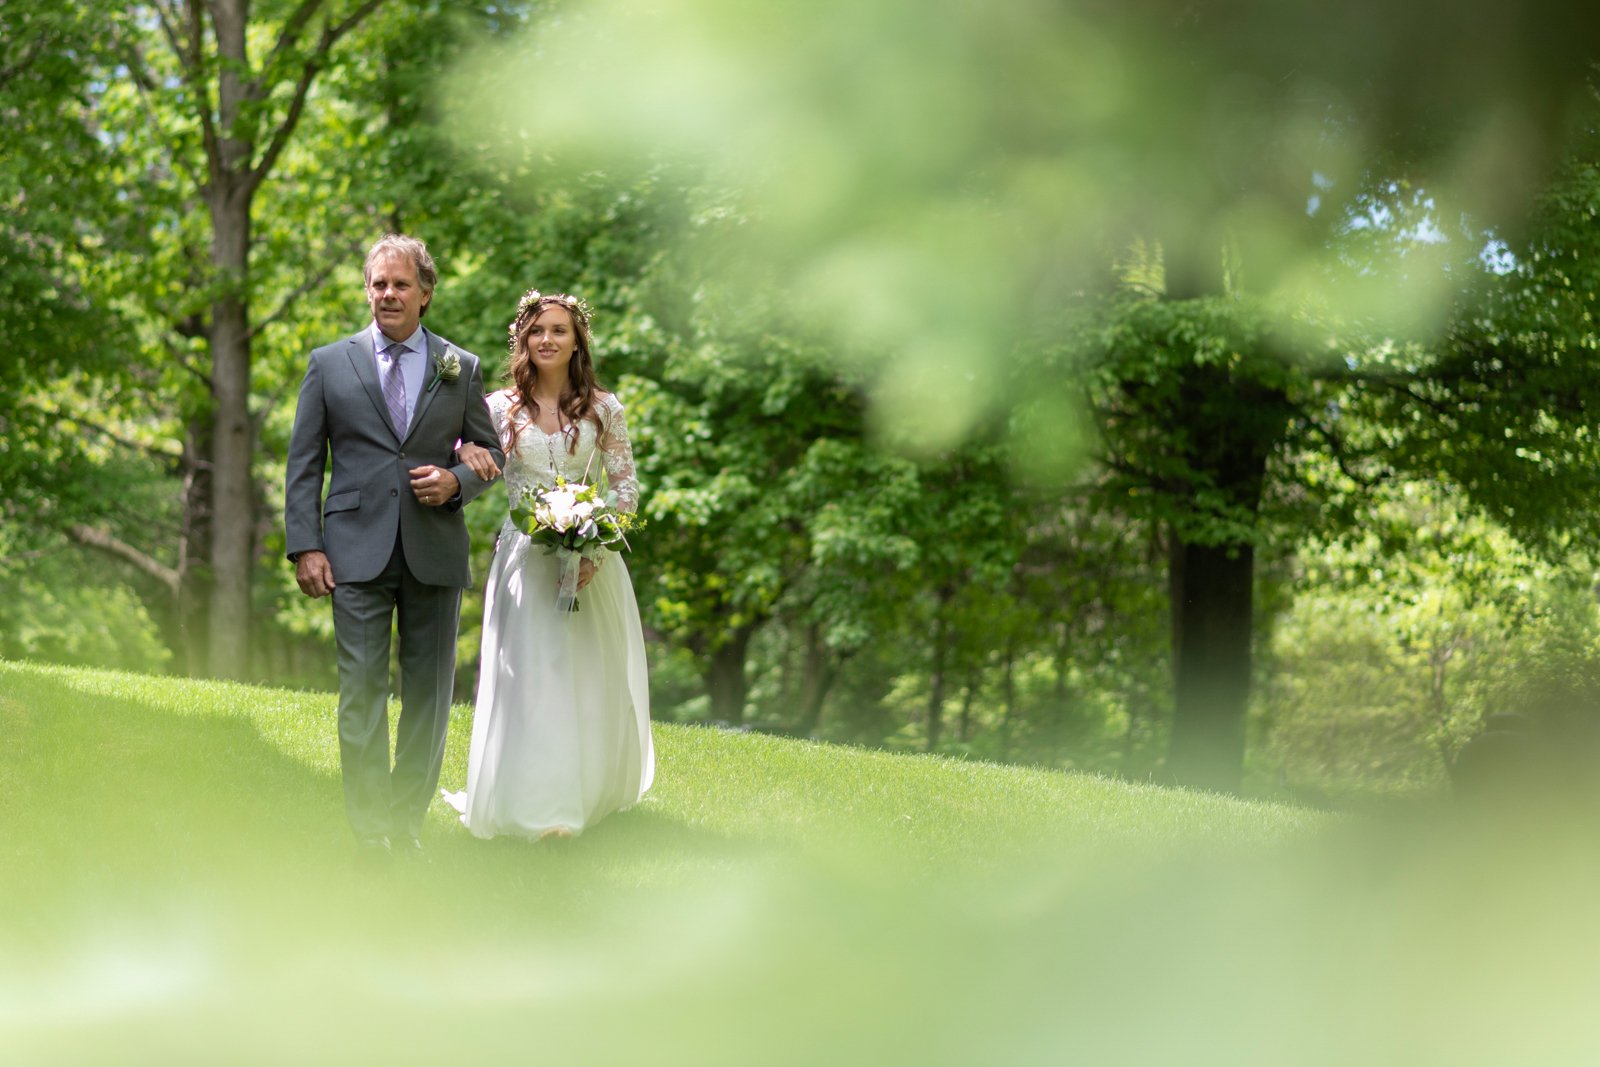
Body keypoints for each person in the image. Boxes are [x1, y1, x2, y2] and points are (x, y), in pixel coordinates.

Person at [284, 233, 504, 859]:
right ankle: (369, 827)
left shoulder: (458, 367)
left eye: (400, 284)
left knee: (430, 694)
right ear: (368, 291)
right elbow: (304, 463)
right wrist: (306, 546)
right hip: (353, 550)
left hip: (434, 549)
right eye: (378, 284)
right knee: (361, 690)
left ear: (425, 294)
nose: (388, 295)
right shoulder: (329, 364)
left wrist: (455, 481)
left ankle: (407, 823)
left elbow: (492, 454)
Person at [442, 289, 654, 839]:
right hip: (523, 560)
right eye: (538, 330)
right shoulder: (496, 407)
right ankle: (537, 805)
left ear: (577, 339)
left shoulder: (606, 408)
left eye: (559, 330)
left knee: (584, 677)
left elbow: (627, 488)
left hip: (592, 561)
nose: (548, 339)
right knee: (531, 676)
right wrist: (466, 452)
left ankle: (583, 796)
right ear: (523, 340)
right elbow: (473, 460)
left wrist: (601, 549)